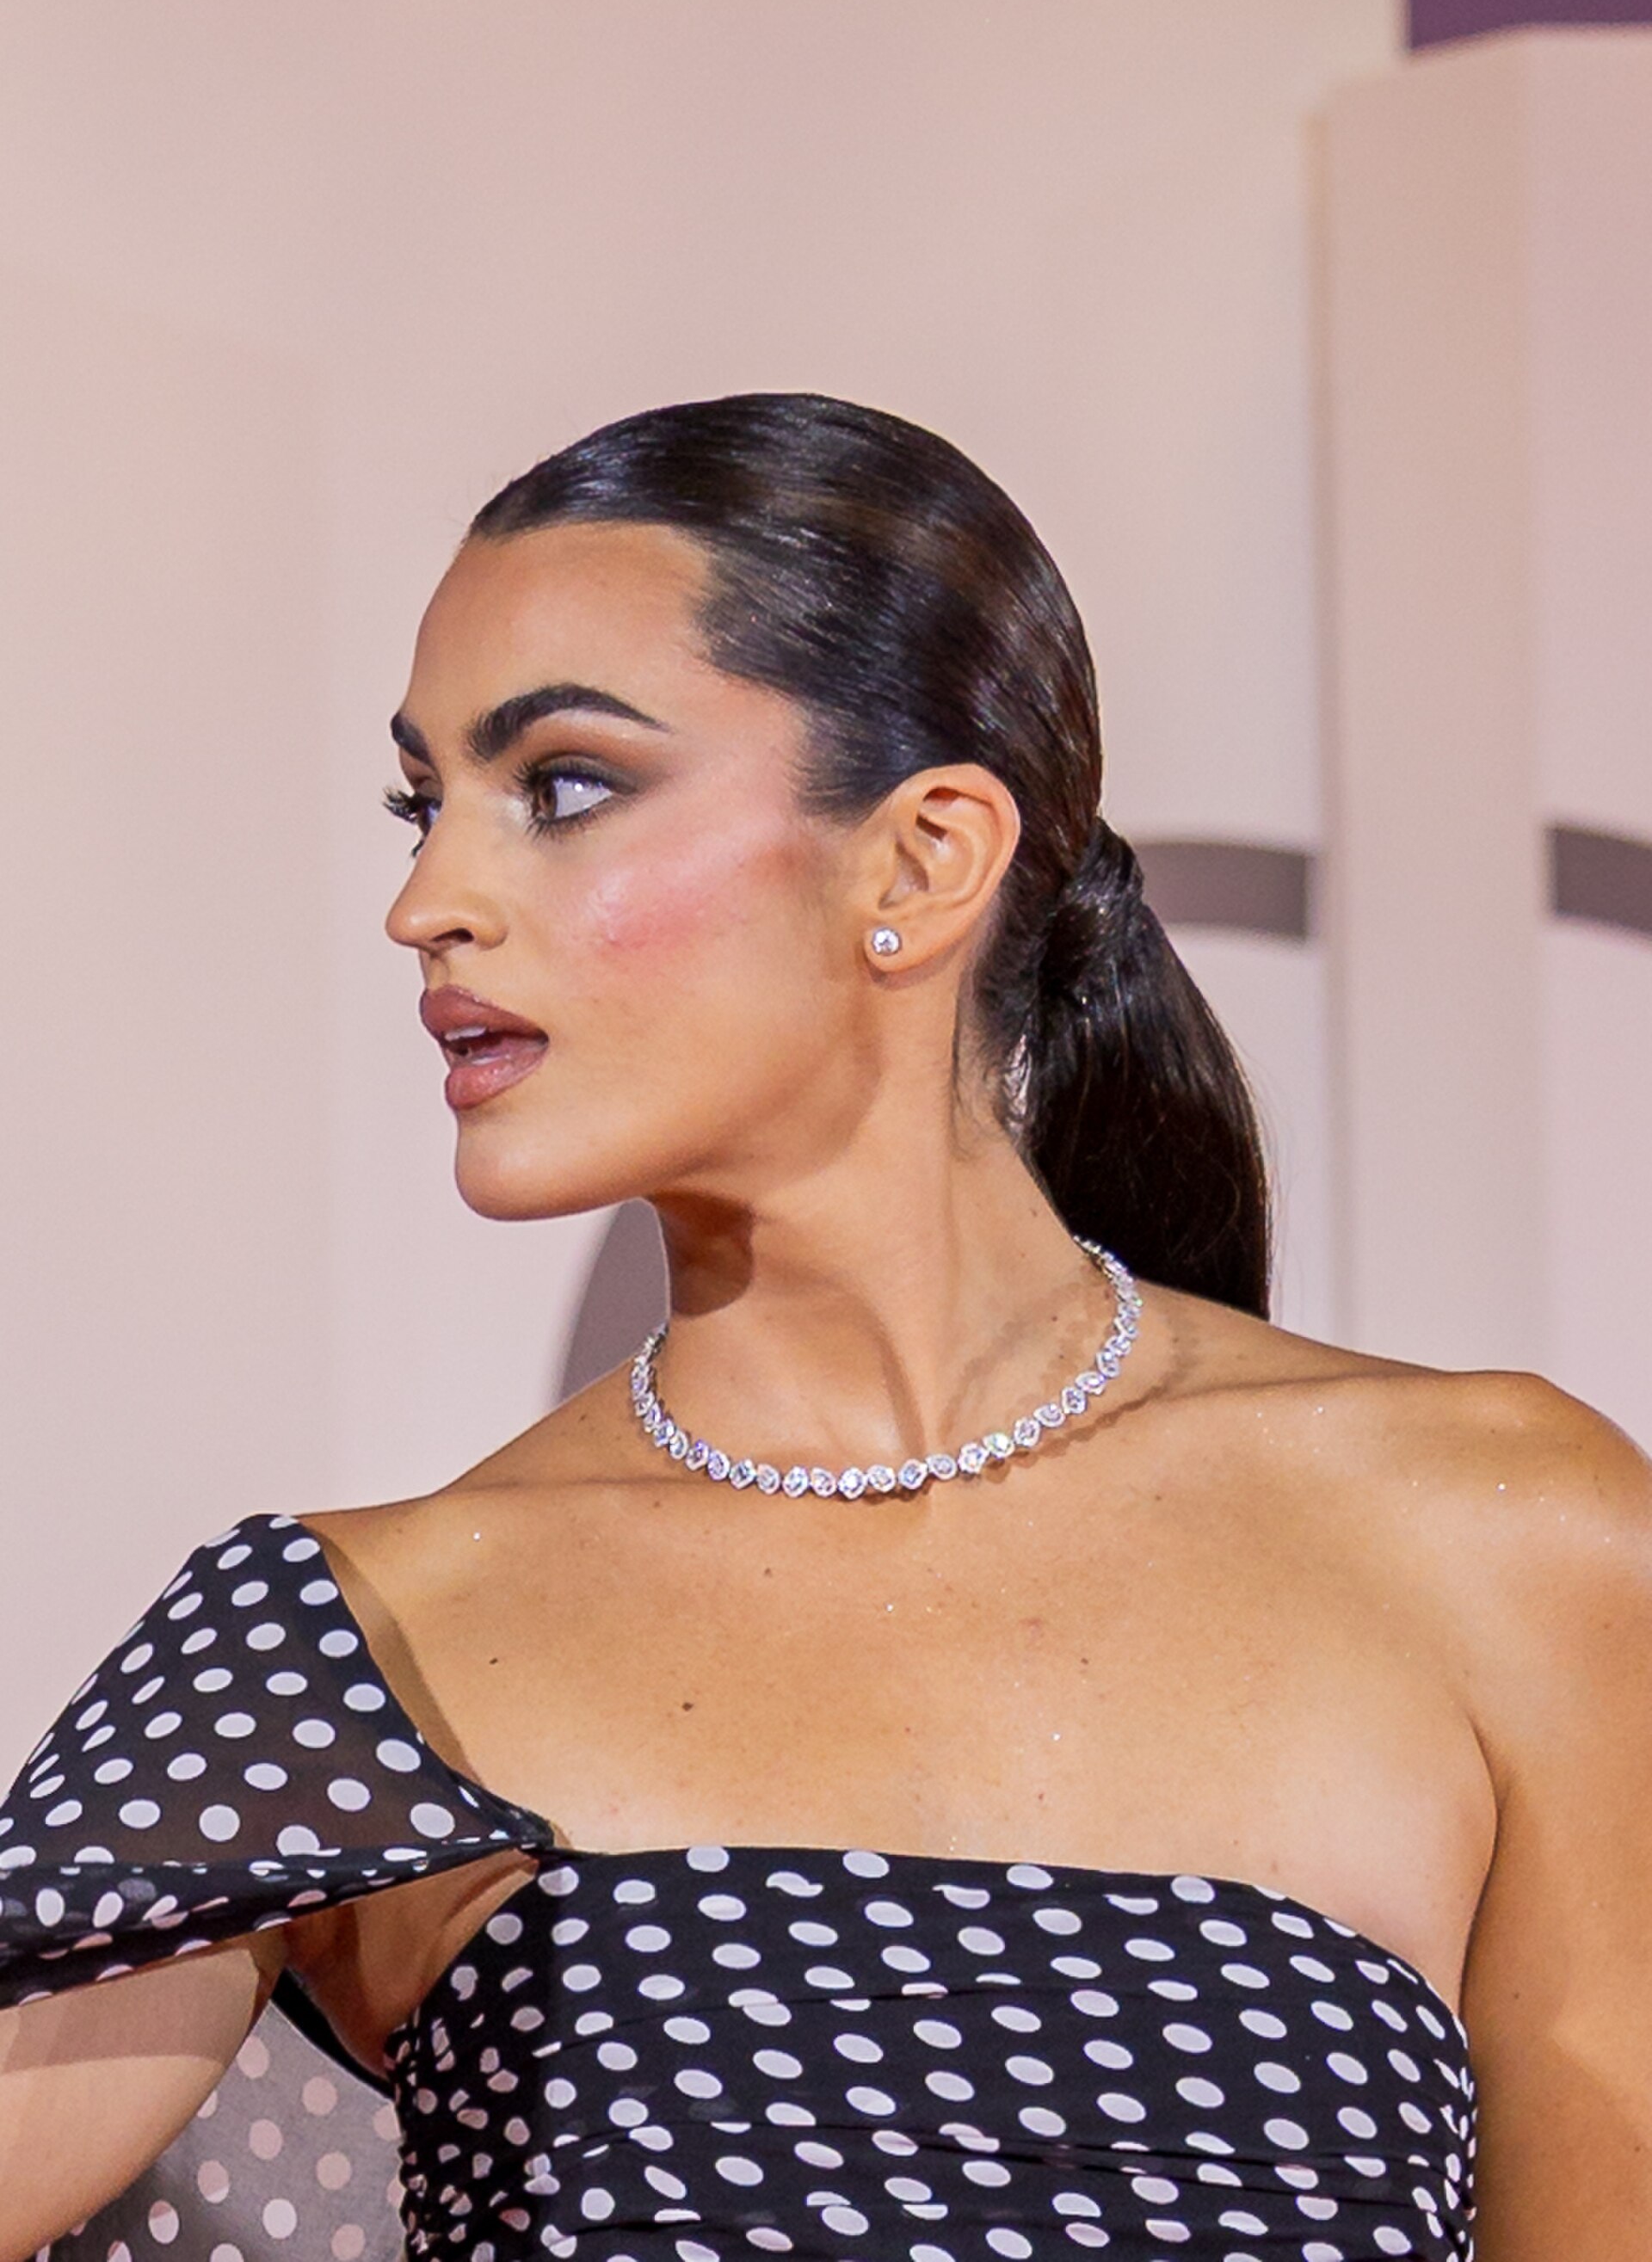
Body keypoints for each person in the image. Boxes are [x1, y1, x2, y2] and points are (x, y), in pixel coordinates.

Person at [2, 394, 1649, 2262]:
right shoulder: (344, 1653)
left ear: (924, 860)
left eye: (559, 786)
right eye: (422, 806)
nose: (426, 902)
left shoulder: (1509, 1534)